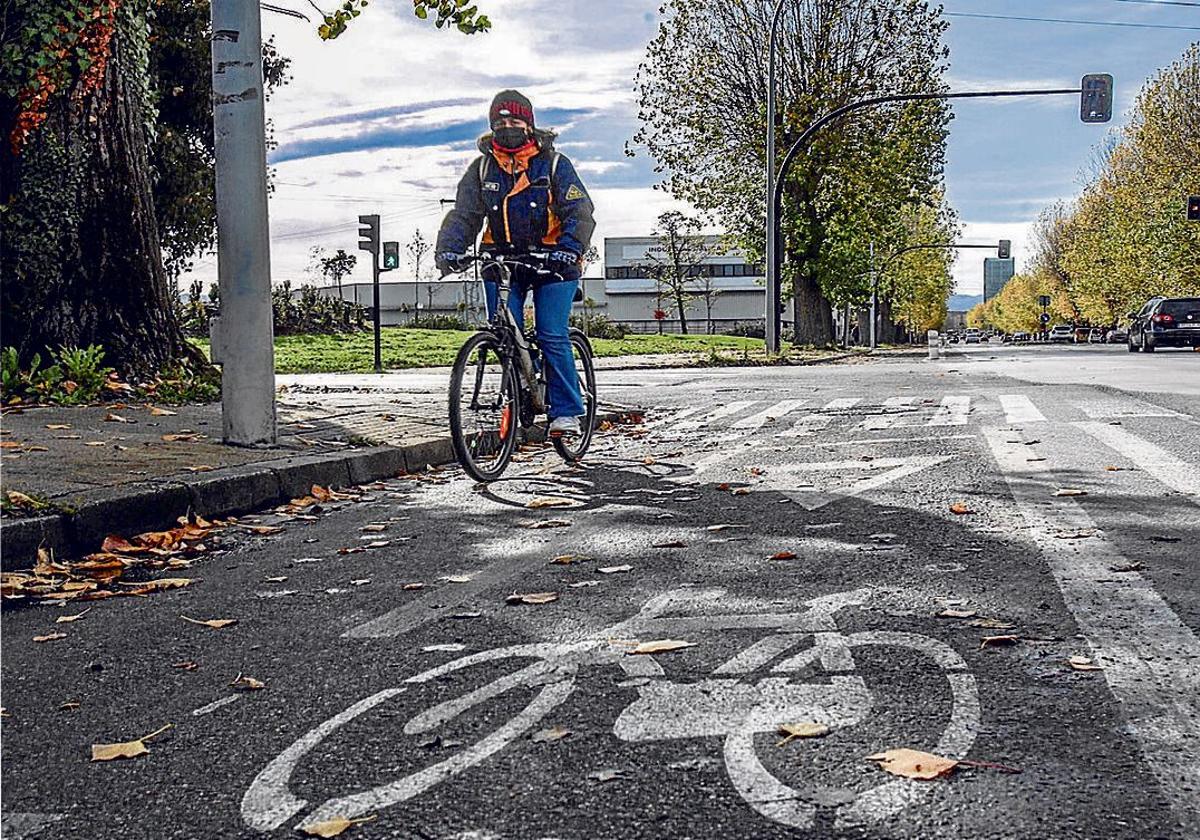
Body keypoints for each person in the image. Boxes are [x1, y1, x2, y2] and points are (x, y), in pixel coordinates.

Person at [436, 90, 596, 438]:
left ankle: (566, 411)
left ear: (529, 124)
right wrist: (450, 249)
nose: (507, 127)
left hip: (554, 262)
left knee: (552, 333)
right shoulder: (481, 169)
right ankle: (527, 377)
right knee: (504, 331)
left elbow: (580, 213)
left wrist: (569, 248)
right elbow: (465, 215)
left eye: (515, 121)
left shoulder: (554, 164)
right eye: (500, 122)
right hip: (502, 259)